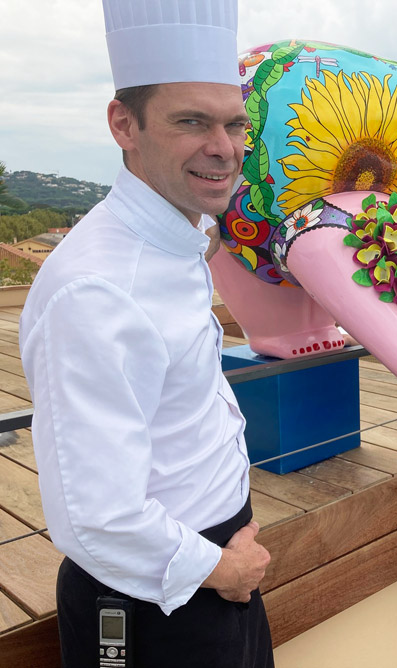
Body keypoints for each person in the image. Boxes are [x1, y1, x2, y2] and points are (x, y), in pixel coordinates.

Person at [19, 1, 274, 666]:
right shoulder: (97, 287)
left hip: (215, 568)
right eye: (191, 121)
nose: (224, 147)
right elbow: (95, 516)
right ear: (123, 124)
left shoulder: (180, 237)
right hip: (157, 600)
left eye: (233, 124)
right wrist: (223, 570)